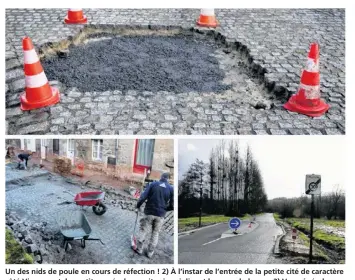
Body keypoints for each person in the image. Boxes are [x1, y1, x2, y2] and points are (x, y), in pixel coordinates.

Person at [134, 172, 174, 258]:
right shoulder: (171, 189)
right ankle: (150, 253)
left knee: (143, 230)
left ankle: (139, 249)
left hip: (149, 212)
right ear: (168, 179)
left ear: (161, 177)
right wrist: (165, 209)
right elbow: (172, 205)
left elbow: (143, 197)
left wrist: (138, 206)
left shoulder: (152, 184)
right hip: (160, 215)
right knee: (155, 233)